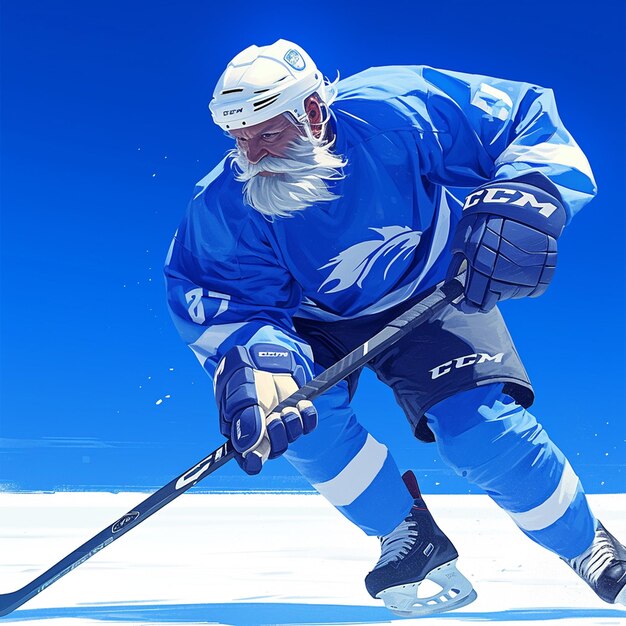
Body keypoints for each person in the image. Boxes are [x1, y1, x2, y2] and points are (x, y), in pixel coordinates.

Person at [164, 39, 626, 617]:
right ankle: (407, 535)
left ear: (312, 111)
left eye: (267, 133)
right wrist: (254, 361)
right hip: (312, 324)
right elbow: (221, 297)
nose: (251, 155)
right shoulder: (225, 205)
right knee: (295, 417)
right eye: (238, 138)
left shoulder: (398, 106)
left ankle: (591, 549)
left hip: (434, 291)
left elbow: (519, 117)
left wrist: (528, 197)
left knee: (478, 431)